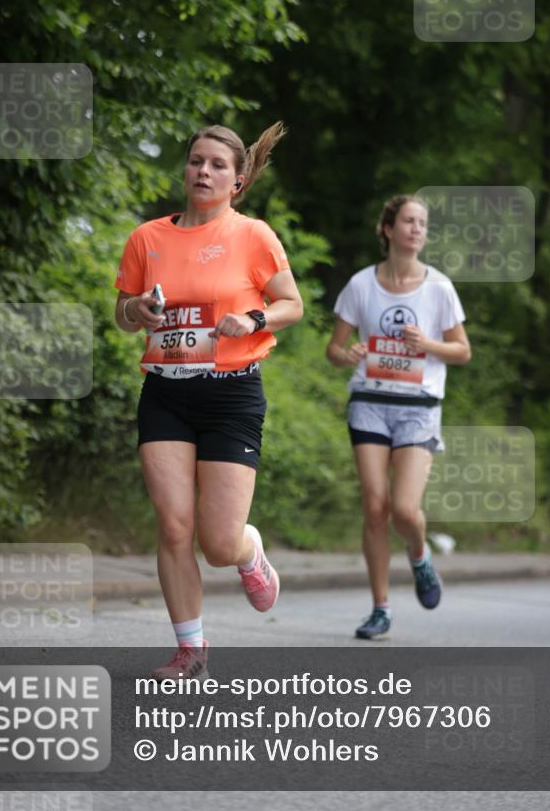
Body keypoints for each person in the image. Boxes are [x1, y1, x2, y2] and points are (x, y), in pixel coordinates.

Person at [114, 121, 303, 678]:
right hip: (166, 393)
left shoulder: (253, 236)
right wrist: (137, 312)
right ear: (186, 168)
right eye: (197, 161)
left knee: (217, 542)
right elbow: (122, 313)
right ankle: (190, 648)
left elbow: (292, 303)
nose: (204, 171)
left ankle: (248, 552)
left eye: (217, 165)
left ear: (237, 181)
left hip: (231, 396)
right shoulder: (147, 238)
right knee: (174, 526)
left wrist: (253, 318)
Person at [326, 195, 470, 639]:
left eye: (422, 223)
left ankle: (420, 556)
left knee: (405, 510)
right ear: (388, 229)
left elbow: (462, 351)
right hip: (369, 401)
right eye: (408, 221)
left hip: (418, 408)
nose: (416, 229)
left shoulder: (440, 287)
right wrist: (346, 354)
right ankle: (380, 608)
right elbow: (334, 349)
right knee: (375, 507)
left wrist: (427, 344)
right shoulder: (360, 285)